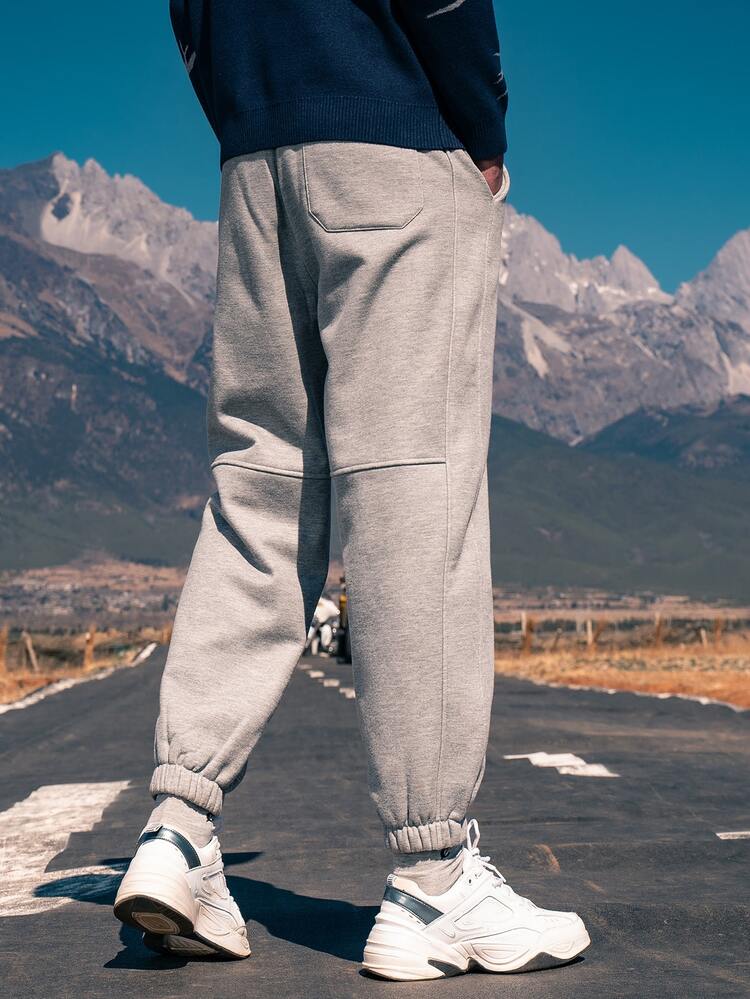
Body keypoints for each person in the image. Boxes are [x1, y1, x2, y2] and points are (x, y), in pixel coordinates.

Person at [114, 0, 590, 979]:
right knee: (415, 485)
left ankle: (180, 824)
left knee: (259, 483)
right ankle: (434, 876)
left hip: (257, 154)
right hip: (394, 140)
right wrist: (480, 132)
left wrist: (250, 116)